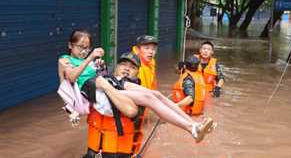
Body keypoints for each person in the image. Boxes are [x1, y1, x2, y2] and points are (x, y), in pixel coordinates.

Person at [59, 30, 214, 156]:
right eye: (80, 47)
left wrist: (98, 64)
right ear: (70, 45)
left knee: (157, 95)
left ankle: (194, 125)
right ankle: (191, 128)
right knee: (149, 99)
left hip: (106, 83)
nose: (84, 51)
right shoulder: (65, 60)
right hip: (97, 91)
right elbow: (72, 77)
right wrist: (91, 57)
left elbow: (101, 74)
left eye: (87, 47)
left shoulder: (145, 67)